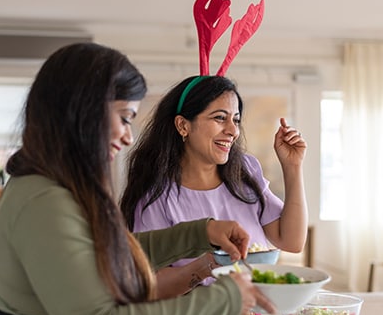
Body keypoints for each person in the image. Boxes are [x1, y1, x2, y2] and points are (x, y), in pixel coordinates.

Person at [0, 42, 275, 315]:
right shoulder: (44, 201)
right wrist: (227, 298)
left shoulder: (53, 185)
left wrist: (201, 233)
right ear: (83, 113)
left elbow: (112, 254)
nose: (128, 137)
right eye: (125, 118)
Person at [120, 75, 309, 299]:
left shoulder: (244, 172)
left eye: (236, 120)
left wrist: (293, 167)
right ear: (183, 125)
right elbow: (153, 287)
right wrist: (211, 263)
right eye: (220, 118)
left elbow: (292, 241)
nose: (233, 131)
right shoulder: (156, 196)